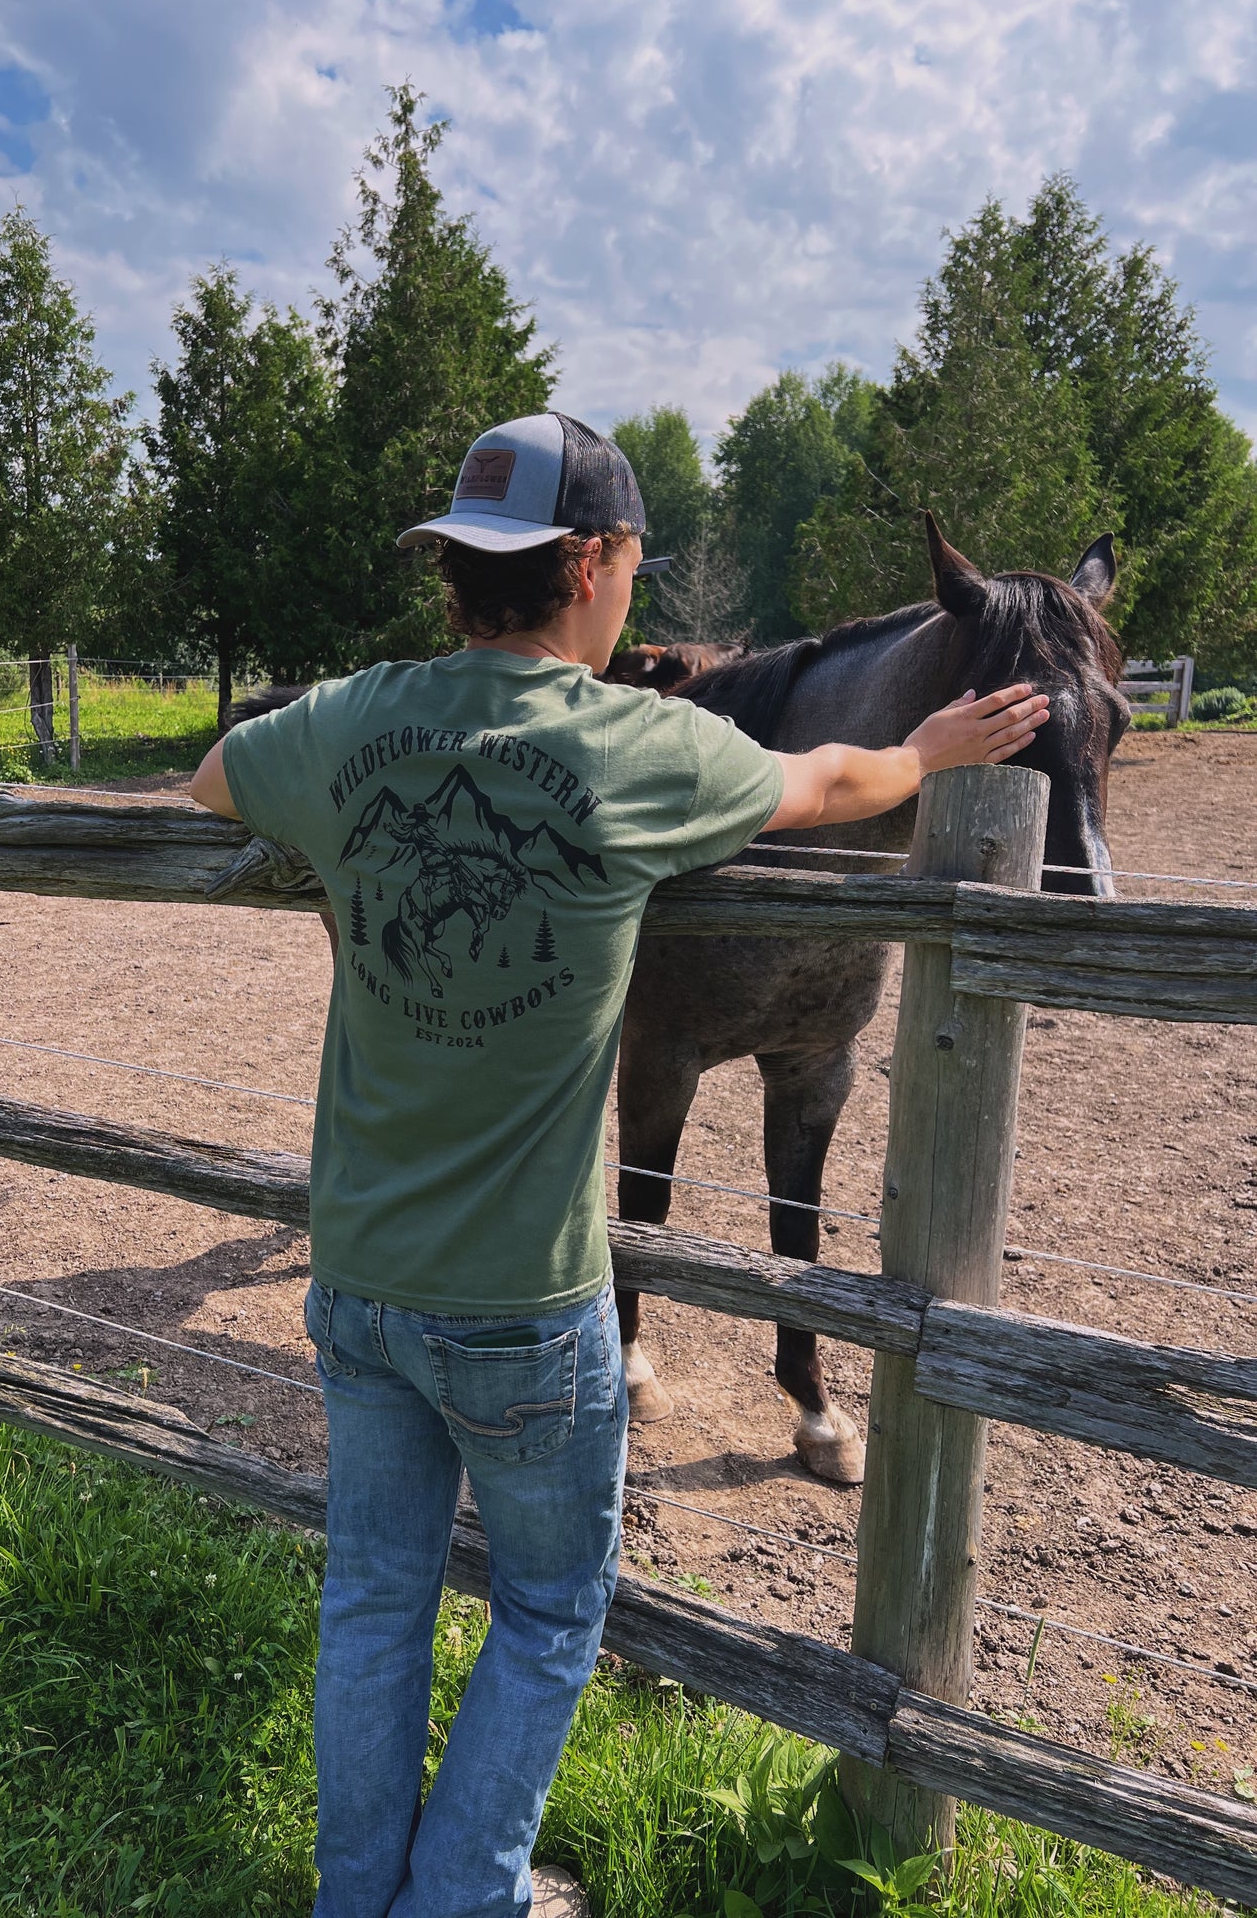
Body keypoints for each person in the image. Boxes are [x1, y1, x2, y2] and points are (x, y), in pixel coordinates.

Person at [189, 412, 1049, 1918]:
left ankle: (358, 1896)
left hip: (357, 1283)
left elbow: (209, 783)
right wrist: (921, 752)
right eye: (633, 562)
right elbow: (828, 788)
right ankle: (461, 1900)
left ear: (456, 574)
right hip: (522, 1303)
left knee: (375, 1598)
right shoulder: (640, 749)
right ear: (586, 564)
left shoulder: (345, 723)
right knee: (546, 1607)